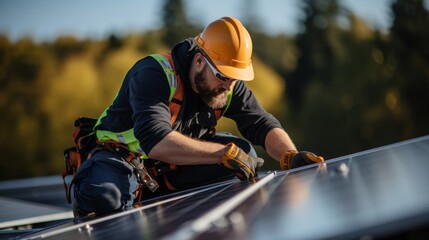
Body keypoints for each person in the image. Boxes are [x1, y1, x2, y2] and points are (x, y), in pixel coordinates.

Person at [72, 16, 324, 217]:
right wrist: (219, 154)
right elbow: (154, 139)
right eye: (224, 76)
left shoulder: (228, 84)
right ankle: (94, 193)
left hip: (166, 170)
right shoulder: (153, 73)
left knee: (246, 154)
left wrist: (289, 155)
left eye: (236, 78)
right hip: (121, 161)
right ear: (200, 61)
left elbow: (260, 122)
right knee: (105, 196)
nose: (229, 86)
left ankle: (158, 201)